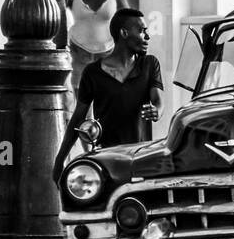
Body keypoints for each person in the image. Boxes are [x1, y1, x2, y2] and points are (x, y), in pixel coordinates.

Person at [53, 9, 162, 181]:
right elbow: (78, 118)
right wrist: (60, 160)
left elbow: (157, 101)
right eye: (142, 31)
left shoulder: (149, 64)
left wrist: (156, 110)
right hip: (106, 160)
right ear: (124, 33)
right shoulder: (92, 73)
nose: (147, 37)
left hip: (141, 159)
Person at [66, 0, 129, 93]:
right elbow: (60, 18)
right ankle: (84, 117)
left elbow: (129, 21)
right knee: (81, 95)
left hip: (108, 54)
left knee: (108, 94)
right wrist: (65, 45)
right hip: (79, 54)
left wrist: (124, 47)